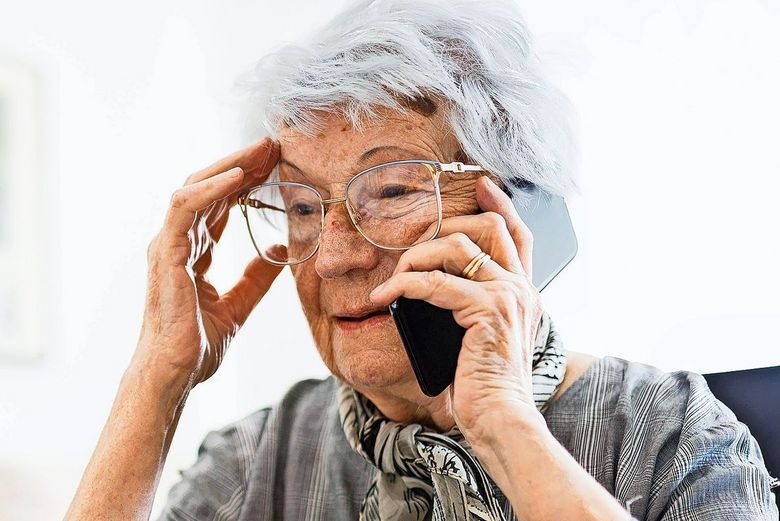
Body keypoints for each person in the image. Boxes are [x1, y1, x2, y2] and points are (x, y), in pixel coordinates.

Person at [65, 0, 778, 520]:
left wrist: (503, 423)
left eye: (393, 189)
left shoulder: (671, 437)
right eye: (304, 206)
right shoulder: (260, 461)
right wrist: (156, 379)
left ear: (518, 206)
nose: (336, 255)